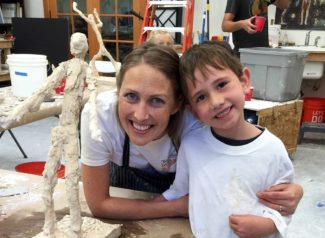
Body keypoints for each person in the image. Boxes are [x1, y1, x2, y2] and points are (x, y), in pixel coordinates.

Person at [163, 40, 296, 238]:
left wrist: (265, 225)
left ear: (244, 80)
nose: (217, 102)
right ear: (193, 110)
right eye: (201, 97)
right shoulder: (193, 145)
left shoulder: (272, 151)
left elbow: (283, 208)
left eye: (222, 85)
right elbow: (177, 193)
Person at [80, 42, 302, 221]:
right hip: (166, 200)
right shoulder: (98, 118)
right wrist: (176, 207)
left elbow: (244, 158)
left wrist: (294, 190)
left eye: (157, 100)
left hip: (182, 195)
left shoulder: (197, 120)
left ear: (178, 104)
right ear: (118, 92)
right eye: (131, 96)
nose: (140, 115)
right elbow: (99, 204)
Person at [10, 33, 89, 238]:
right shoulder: (65, 67)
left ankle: (75, 232)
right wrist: (23, 107)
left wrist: (96, 121)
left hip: (72, 131)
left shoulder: (86, 70)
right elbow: (43, 89)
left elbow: (96, 93)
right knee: (48, 176)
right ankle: (49, 225)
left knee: (72, 179)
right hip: (62, 129)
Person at [222, 0, 292, 55]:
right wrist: (242, 24)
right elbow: (225, 26)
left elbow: (283, 5)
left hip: (263, 53)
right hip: (244, 54)